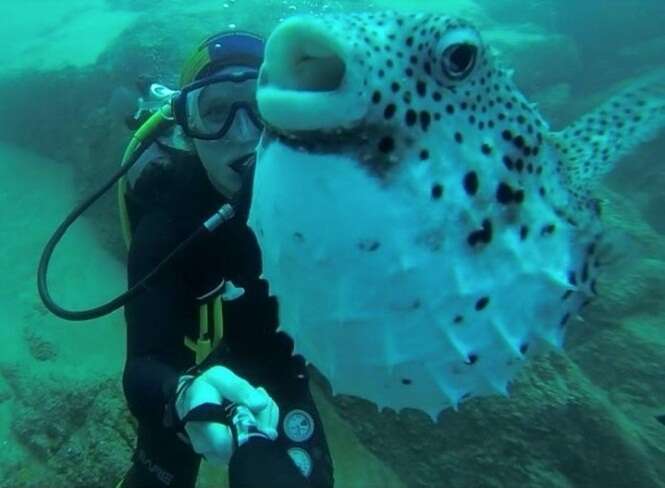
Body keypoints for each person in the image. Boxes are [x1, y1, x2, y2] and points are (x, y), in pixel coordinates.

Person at [117, 31, 334, 488]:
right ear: (186, 128)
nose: (242, 133)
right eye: (214, 111)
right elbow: (142, 365)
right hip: (183, 370)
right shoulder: (168, 221)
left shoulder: (325, 201)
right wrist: (179, 394)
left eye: (262, 106)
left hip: (273, 359)